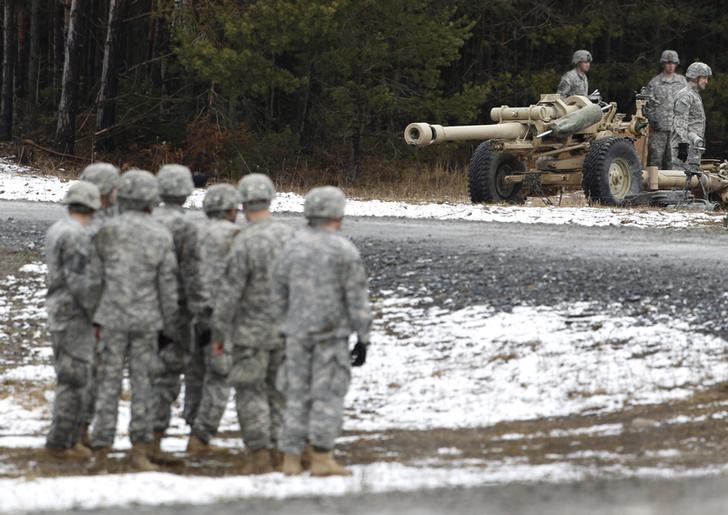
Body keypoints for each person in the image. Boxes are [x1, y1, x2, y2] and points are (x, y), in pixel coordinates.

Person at [272, 186, 372, 477]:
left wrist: (282, 327)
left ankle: (290, 459)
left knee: (295, 394)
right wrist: (363, 337)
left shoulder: (291, 246)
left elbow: (277, 293)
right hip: (331, 335)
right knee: (327, 395)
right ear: (336, 214)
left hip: (296, 334)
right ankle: (321, 457)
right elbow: (356, 298)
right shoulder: (343, 250)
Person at [89, 169, 179, 472]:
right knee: (143, 384)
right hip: (146, 320)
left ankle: (100, 449)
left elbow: (94, 279)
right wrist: (170, 324)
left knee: (107, 384)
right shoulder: (160, 234)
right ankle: (139, 449)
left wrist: (94, 317)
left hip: (111, 318)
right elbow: (167, 285)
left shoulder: (106, 231)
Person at [211, 174, 294, 474]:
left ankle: (259, 454)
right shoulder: (290, 236)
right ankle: (283, 451)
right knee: (280, 391)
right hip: (286, 329)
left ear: (242, 203)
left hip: (250, 332)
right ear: (270, 198)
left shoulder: (242, 241)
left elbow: (229, 292)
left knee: (250, 391)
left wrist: (219, 332)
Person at [149, 164, 206, 464]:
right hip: (175, 312)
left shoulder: (147, 219)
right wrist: (202, 314)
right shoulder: (185, 226)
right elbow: (193, 274)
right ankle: (153, 443)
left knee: (146, 373)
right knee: (168, 376)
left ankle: (142, 439)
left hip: (142, 307)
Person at [44, 181, 101, 460]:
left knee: (71, 376)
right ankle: (61, 442)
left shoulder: (58, 229)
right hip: (73, 314)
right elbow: (81, 282)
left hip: (60, 310)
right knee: (74, 379)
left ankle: (65, 439)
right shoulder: (76, 235)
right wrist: (97, 313)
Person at [186, 184, 241, 454]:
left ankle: (191, 424)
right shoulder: (236, 235)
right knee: (219, 376)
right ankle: (201, 436)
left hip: (191, 316)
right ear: (231, 210)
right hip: (221, 317)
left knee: (194, 374)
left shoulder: (192, 232)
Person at [77, 162, 120, 447]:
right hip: (96, 309)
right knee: (92, 375)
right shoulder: (94, 228)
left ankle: (84, 430)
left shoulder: (84, 220)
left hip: (102, 308)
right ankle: (81, 431)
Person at [644, 50, 687, 169]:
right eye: (668, 63)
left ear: (676, 64)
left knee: (674, 159)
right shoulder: (655, 82)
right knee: (656, 158)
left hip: (676, 128)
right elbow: (648, 104)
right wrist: (652, 118)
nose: (670, 66)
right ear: (663, 64)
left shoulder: (682, 82)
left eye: (673, 63)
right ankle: (654, 185)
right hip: (659, 128)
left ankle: (673, 186)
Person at [671, 62, 712, 170]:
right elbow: (680, 121)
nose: (706, 82)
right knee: (680, 182)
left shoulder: (694, 94)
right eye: (704, 78)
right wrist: (683, 145)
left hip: (693, 146)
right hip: (685, 147)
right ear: (695, 77)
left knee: (690, 182)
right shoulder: (686, 95)